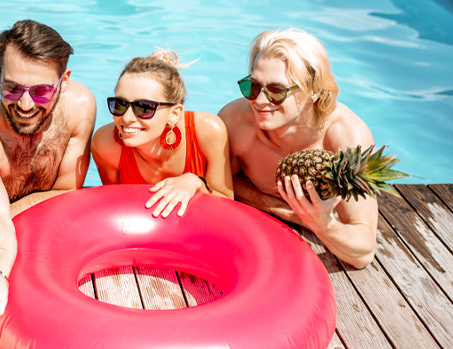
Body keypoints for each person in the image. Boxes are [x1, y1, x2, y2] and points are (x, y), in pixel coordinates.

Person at [0, 19, 96, 319]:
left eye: (41, 92)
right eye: (12, 88)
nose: (25, 104)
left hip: (46, 225)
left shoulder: (79, 107)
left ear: (64, 81)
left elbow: (67, 192)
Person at [218, 28, 377, 269]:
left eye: (276, 91)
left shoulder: (345, 139)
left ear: (313, 91)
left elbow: (363, 253)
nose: (259, 101)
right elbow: (216, 183)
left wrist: (324, 224)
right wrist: (286, 211)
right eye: (253, 86)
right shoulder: (236, 122)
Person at [91, 50, 233, 218]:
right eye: (120, 104)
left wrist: (196, 183)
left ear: (174, 114)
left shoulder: (208, 132)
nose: (127, 118)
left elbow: (227, 204)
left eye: (143, 107)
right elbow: (115, 206)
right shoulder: (106, 146)